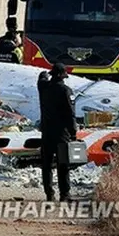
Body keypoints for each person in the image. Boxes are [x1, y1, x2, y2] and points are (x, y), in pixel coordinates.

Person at [38, 63, 77, 202]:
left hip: (46, 131)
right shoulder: (66, 91)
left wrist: (46, 74)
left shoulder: (43, 87)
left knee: (47, 164)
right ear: (62, 76)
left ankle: (49, 193)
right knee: (63, 164)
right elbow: (70, 114)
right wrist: (74, 132)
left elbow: (41, 77)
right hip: (62, 133)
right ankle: (64, 194)